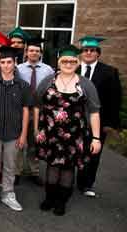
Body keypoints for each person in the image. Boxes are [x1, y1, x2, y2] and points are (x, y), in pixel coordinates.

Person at [34, 45, 102, 216]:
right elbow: (36, 105)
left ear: (77, 63)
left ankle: (61, 201)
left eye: (72, 61)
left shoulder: (86, 84)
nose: (69, 64)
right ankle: (49, 198)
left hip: (74, 136)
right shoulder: (48, 81)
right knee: (52, 166)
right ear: (59, 62)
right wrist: (36, 129)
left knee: (68, 168)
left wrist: (96, 138)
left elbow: (94, 112)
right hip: (50, 134)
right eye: (65, 61)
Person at [0, 46, 32, 211]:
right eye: (2, 62)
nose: (6, 65)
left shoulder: (22, 85)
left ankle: (8, 193)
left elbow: (26, 110)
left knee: (10, 165)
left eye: (9, 62)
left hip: (14, 133)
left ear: (15, 63)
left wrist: (23, 134)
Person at [76, 36, 123, 197]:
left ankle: (86, 184)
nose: (88, 53)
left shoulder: (109, 72)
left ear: (98, 53)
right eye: (85, 50)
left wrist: (110, 123)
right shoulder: (72, 69)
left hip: (97, 121)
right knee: (71, 151)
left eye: (92, 50)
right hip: (73, 121)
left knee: (92, 153)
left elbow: (115, 100)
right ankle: (66, 180)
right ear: (81, 53)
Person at [16, 37, 55, 186]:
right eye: (31, 50)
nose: (33, 53)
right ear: (26, 52)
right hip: (22, 110)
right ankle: (16, 171)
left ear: (41, 53)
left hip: (40, 110)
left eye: (36, 51)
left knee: (35, 142)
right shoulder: (18, 69)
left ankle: (34, 171)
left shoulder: (48, 70)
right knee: (19, 142)